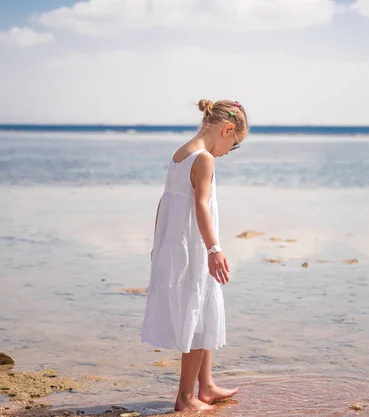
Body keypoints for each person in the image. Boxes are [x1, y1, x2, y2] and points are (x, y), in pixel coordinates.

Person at [141, 99, 249, 411]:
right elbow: (201, 205)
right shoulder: (204, 159)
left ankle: (208, 385)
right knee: (201, 314)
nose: (229, 151)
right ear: (227, 129)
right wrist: (215, 249)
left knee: (205, 314)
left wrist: (159, 245)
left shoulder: (180, 154)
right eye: (235, 144)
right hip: (197, 247)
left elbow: (166, 203)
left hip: (178, 245)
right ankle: (186, 398)